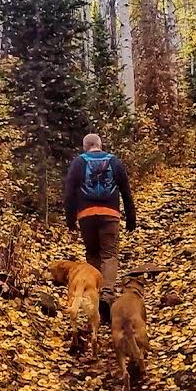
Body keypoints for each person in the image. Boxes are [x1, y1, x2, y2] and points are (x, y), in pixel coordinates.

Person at [64, 133, 136, 322]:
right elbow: (126, 191)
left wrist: (70, 219)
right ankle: (107, 295)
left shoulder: (79, 163)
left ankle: (94, 294)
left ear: (85, 146)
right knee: (109, 255)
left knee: (92, 254)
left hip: (86, 216)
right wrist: (131, 217)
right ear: (100, 144)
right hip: (110, 215)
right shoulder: (114, 162)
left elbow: (69, 192)